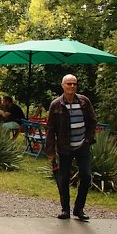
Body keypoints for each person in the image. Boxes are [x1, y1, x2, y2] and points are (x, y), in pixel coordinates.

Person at [45, 74, 98, 222]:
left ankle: (79, 209)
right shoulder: (56, 104)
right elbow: (50, 129)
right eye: (69, 84)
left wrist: (88, 139)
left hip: (82, 145)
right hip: (65, 147)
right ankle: (65, 209)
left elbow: (92, 121)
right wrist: (50, 151)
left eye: (74, 84)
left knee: (86, 176)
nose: (72, 86)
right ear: (62, 85)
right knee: (63, 178)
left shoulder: (84, 101)